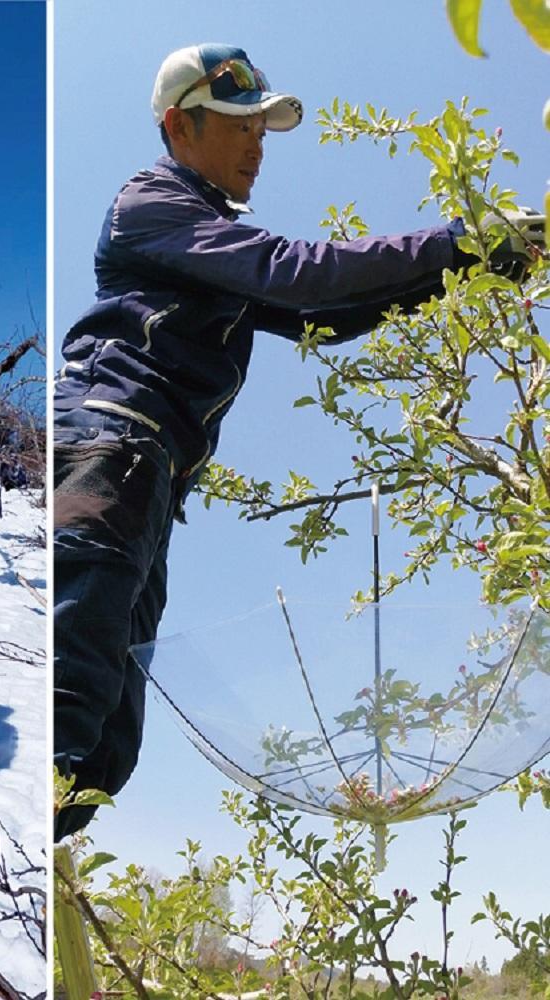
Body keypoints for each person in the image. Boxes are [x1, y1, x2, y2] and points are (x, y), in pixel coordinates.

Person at [52, 42, 543, 840]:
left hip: (147, 478)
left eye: (265, 128)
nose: (258, 143)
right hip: (107, 446)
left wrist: (477, 266)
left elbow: (327, 315)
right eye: (240, 122)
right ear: (180, 124)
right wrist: (458, 238)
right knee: (68, 710)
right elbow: (301, 274)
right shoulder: (152, 205)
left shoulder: (207, 241)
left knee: (102, 756)